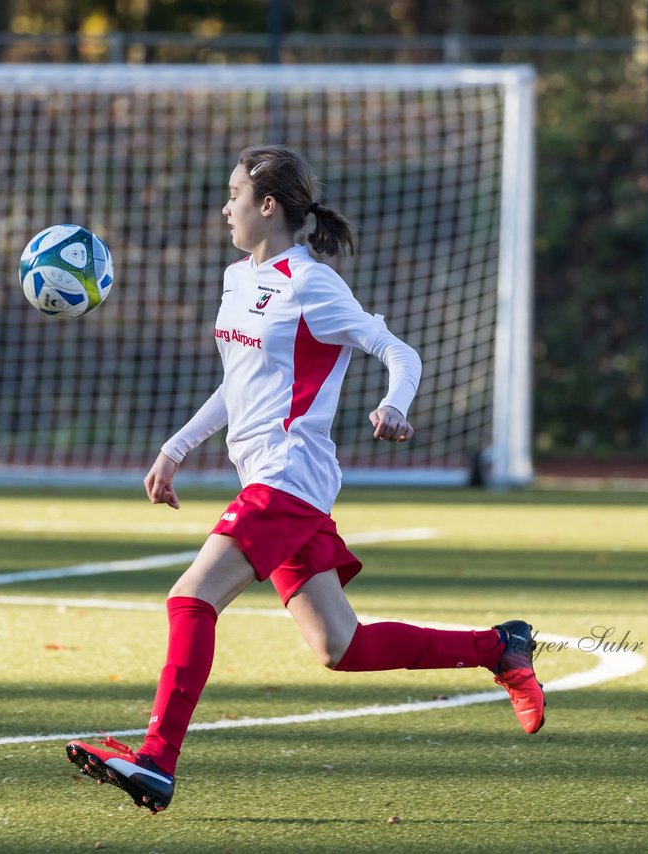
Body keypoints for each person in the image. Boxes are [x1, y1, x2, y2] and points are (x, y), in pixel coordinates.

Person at [65, 144, 545, 814]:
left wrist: (394, 405)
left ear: (268, 206)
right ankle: (502, 647)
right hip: (274, 480)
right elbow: (239, 385)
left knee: (191, 598)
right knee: (339, 646)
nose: (225, 206)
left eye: (235, 194)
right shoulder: (238, 279)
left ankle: (157, 760)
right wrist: (176, 448)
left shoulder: (311, 283)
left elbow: (398, 351)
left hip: (289, 475)